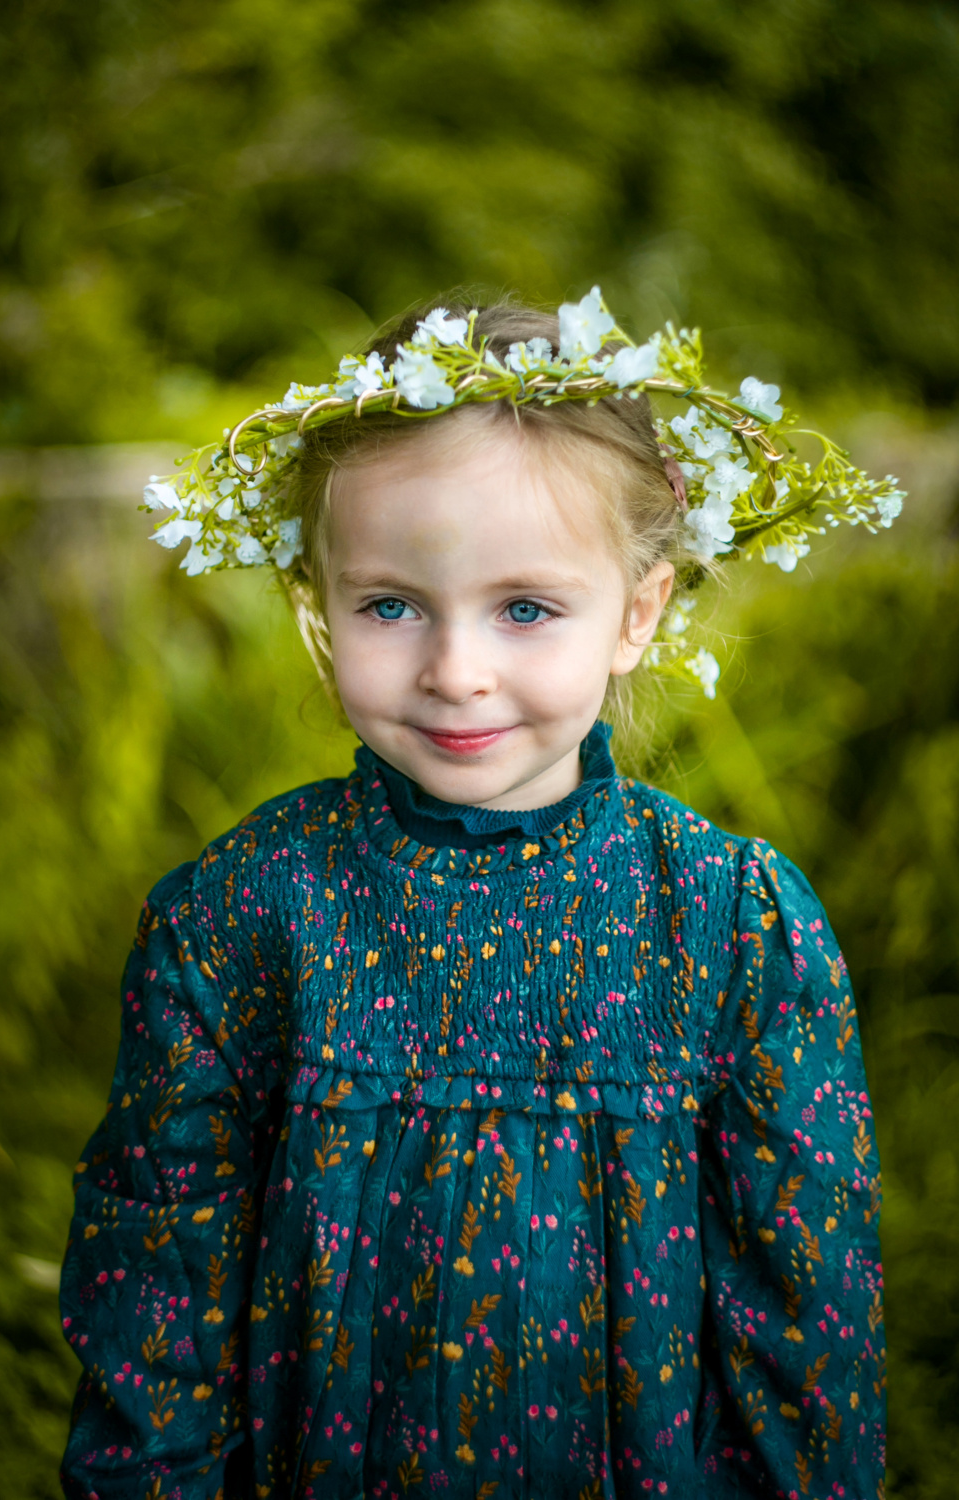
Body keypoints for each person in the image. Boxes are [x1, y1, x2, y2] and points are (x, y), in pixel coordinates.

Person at [60, 293, 890, 1498]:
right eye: (389, 605)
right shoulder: (242, 916)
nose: (455, 671)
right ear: (317, 606)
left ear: (637, 614)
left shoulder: (727, 922)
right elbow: (159, 1293)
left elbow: (805, 1325)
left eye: (526, 609)